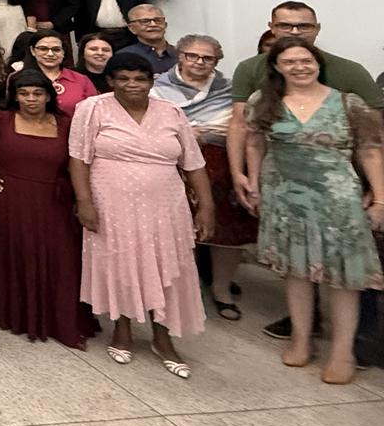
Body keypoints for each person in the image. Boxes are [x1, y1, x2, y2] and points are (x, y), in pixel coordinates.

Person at [244, 38, 384, 385]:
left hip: (337, 199)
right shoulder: (263, 101)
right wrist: (253, 184)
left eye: (305, 60)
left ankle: (342, 351)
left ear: (318, 63)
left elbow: (370, 151)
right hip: (283, 197)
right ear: (276, 67)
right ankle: (301, 339)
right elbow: (254, 142)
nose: (299, 67)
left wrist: (380, 199)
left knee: (343, 278)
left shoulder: (349, 103)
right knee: (296, 272)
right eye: (289, 62)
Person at [70, 53, 214, 379]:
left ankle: (163, 338)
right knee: (120, 263)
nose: (132, 85)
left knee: (167, 266)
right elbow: (78, 158)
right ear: (110, 81)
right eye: (123, 78)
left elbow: (193, 163)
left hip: (166, 206)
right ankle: (122, 331)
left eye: (140, 79)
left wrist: (206, 207)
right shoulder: (92, 108)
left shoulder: (171, 112)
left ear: (152, 81)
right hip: (111, 203)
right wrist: (84, 201)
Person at [0, 72, 96, 349]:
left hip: (54, 201)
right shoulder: (2, 119)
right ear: (14, 96)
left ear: (49, 95)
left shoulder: (65, 123)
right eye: (24, 93)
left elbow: (78, 161)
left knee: (60, 259)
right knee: (15, 255)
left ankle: (57, 319)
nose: (30, 99)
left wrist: (83, 198)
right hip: (11, 201)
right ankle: (15, 314)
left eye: (37, 93)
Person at [152, 35, 251, 320]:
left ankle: (221, 289)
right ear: (180, 56)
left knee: (226, 230)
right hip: (171, 167)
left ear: (217, 61)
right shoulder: (157, 88)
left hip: (222, 165)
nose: (199, 62)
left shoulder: (230, 90)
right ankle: (186, 290)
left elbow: (237, 127)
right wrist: (187, 132)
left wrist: (199, 132)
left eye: (208, 58)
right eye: (192, 56)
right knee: (179, 231)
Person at [20, 30, 99, 115]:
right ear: (33, 50)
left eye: (56, 49)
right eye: (43, 49)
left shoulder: (81, 80)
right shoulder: (18, 78)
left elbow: (96, 112)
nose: (50, 54)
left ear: (63, 52)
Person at [117, 5, 177, 73]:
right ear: (132, 28)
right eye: (145, 21)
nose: (153, 24)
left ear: (165, 25)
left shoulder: (181, 54)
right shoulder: (124, 56)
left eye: (158, 20)